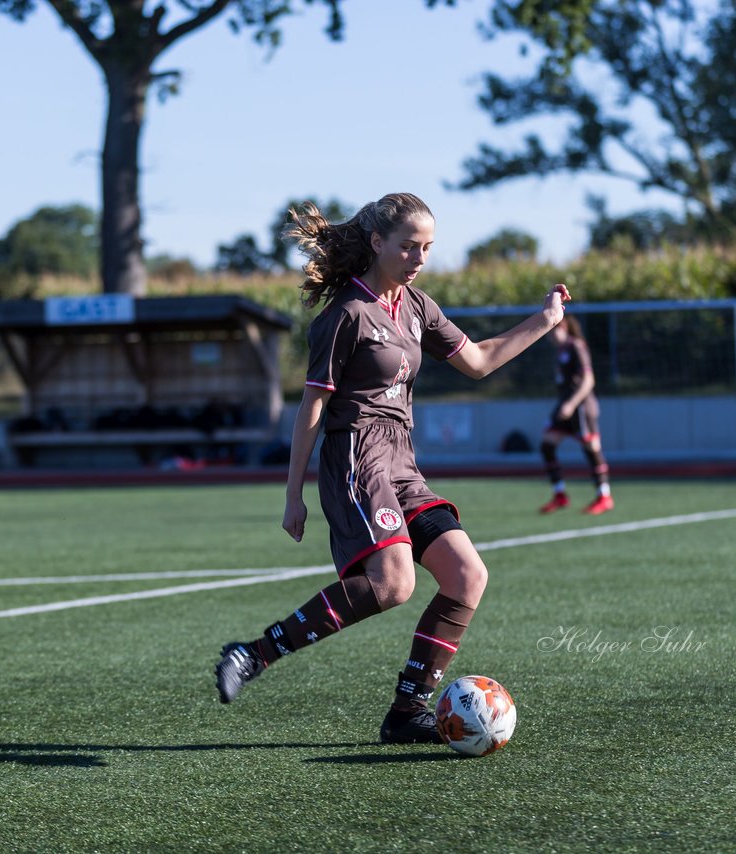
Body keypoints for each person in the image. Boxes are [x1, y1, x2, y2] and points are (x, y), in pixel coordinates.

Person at [214, 192, 570, 744]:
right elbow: (311, 408)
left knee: (467, 576)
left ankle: (407, 712)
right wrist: (293, 495)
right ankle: (255, 653)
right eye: (409, 246)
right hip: (356, 456)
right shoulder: (344, 316)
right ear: (378, 243)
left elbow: (477, 362)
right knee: (392, 584)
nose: (419, 257)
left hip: (402, 460)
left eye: (427, 247)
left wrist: (544, 321)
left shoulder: (417, 305)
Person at [537, 315, 613, 515]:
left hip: (580, 407)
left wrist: (571, 404)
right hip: (564, 406)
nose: (550, 335)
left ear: (562, 327)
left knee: (591, 447)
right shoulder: (561, 350)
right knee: (547, 445)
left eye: (553, 330)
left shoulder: (576, 346)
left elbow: (589, 380)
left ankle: (604, 496)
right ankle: (560, 494)